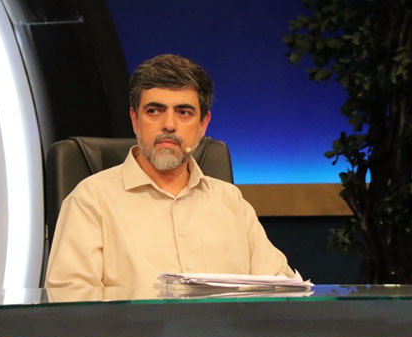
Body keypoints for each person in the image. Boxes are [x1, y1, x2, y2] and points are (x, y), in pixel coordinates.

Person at [45, 54, 294, 293]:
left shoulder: (231, 202)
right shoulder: (90, 201)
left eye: (184, 112)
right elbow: (70, 304)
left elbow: (281, 288)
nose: (169, 125)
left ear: (203, 124)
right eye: (154, 111)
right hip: (133, 327)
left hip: (223, 326)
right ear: (134, 119)